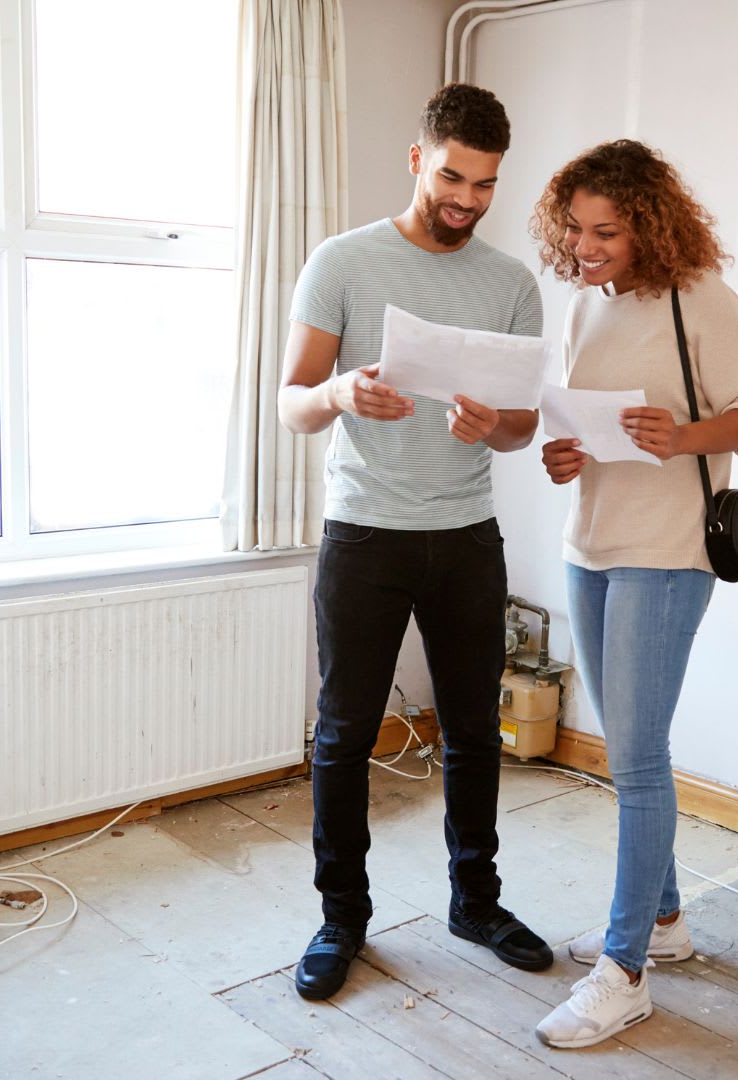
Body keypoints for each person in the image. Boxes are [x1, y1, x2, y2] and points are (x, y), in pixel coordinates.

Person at [276, 83, 553, 1001]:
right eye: (452, 176)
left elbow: (521, 427)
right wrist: (340, 396)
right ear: (416, 160)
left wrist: (495, 429)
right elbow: (292, 403)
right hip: (364, 536)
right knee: (346, 734)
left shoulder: (511, 284)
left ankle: (476, 902)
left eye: (486, 184)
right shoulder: (343, 261)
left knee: (475, 730)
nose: (467, 199)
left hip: (467, 535)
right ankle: (341, 918)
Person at [527, 140, 738, 1048]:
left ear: (650, 225)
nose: (587, 249)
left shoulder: (701, 298)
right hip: (589, 541)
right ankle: (665, 921)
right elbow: (572, 423)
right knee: (624, 744)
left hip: (669, 551)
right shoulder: (583, 306)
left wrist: (683, 438)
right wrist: (562, 454)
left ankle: (625, 970)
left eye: (607, 232)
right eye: (576, 231)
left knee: (635, 758)